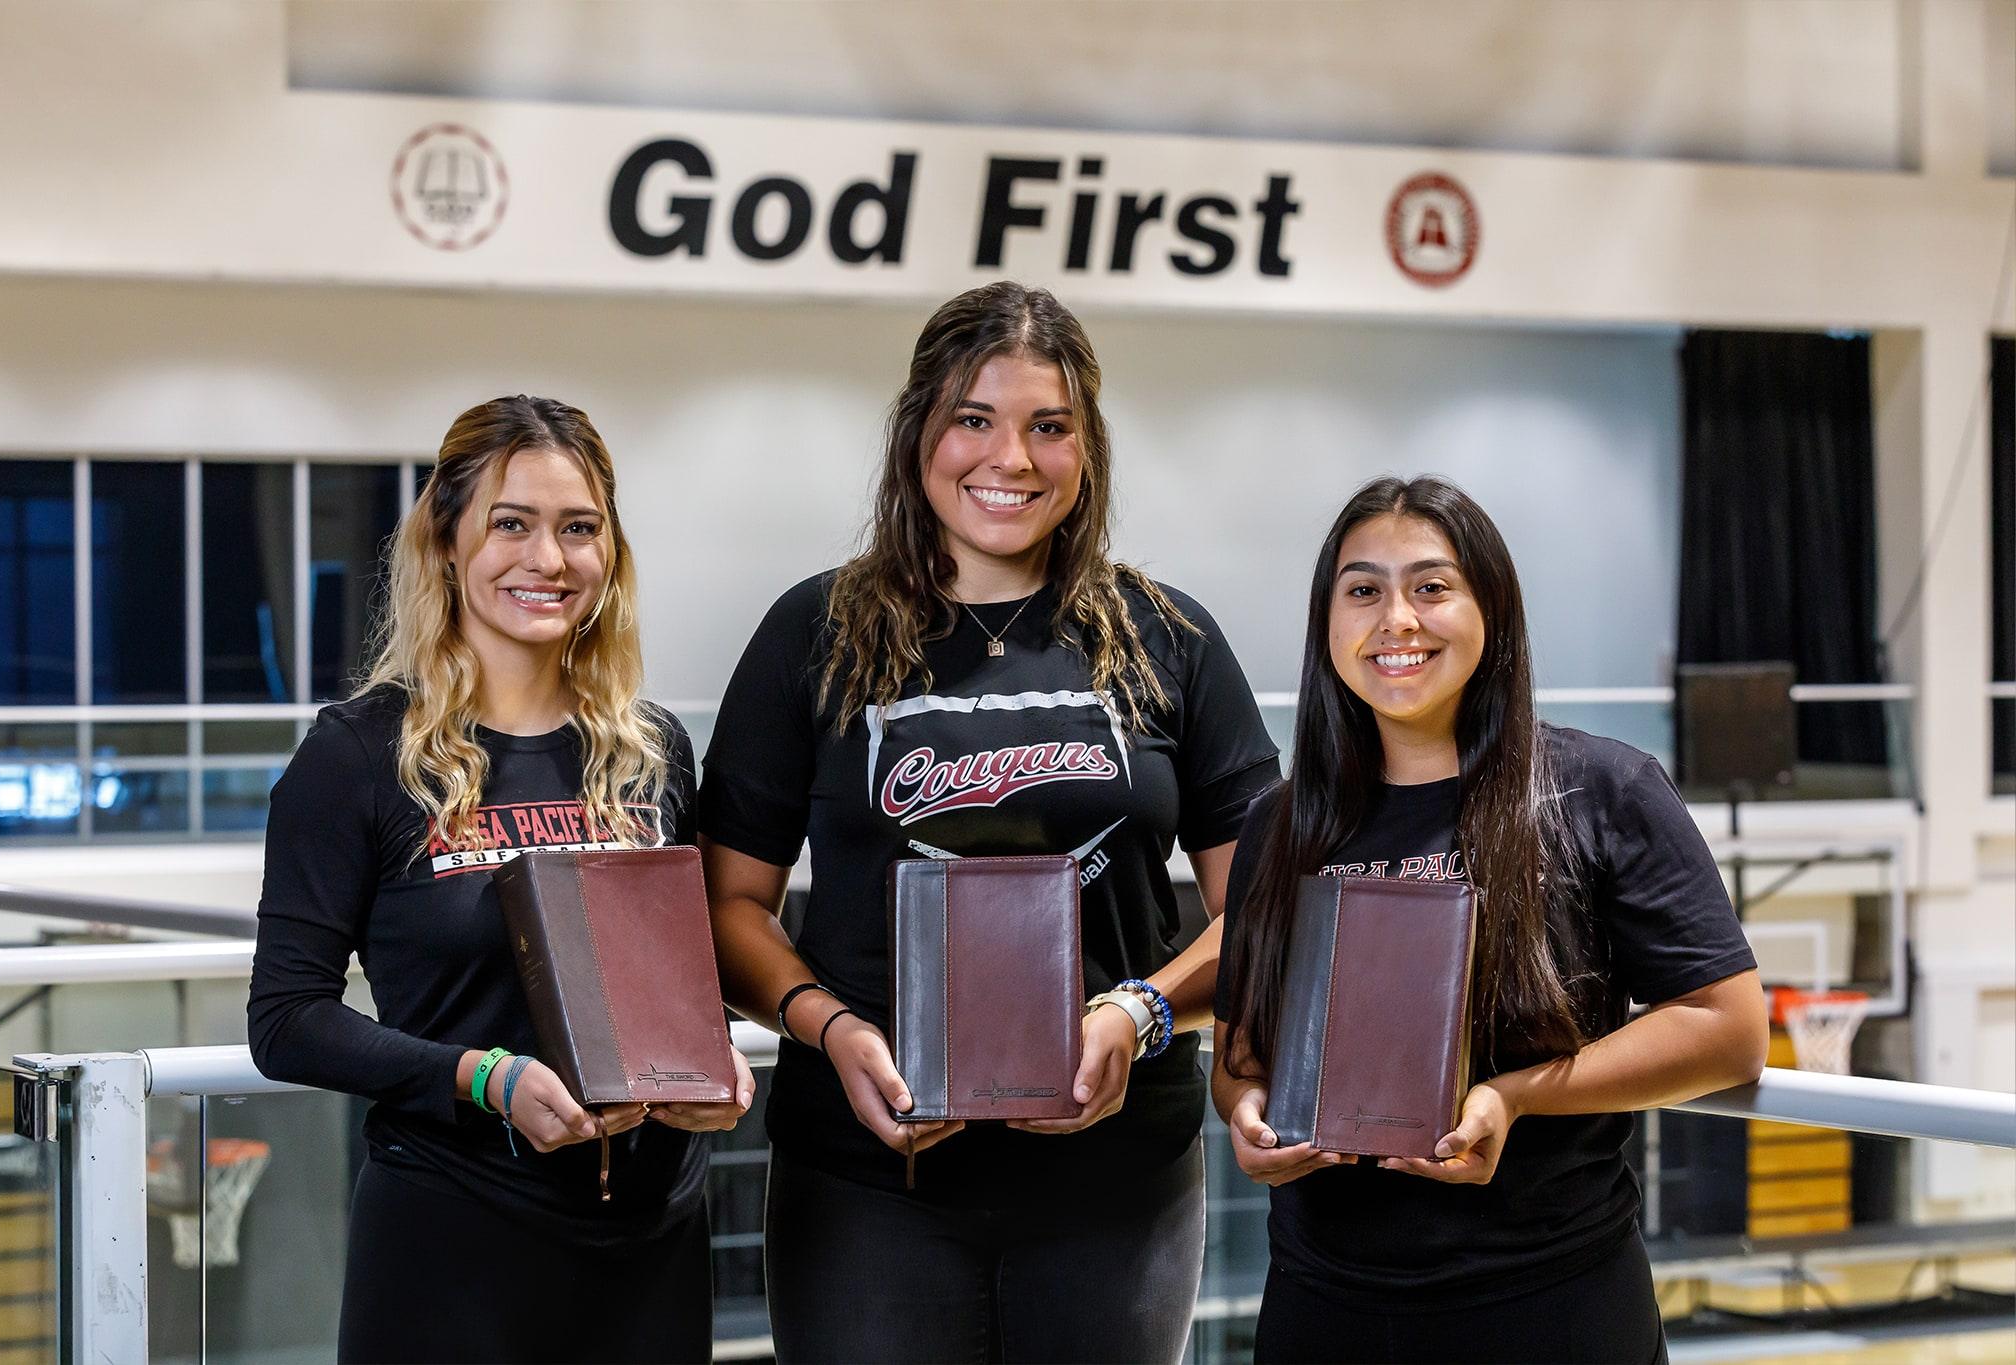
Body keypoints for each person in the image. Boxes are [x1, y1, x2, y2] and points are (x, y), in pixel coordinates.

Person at [700, 281, 1280, 1363]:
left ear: (1085, 447)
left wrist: (1138, 1016)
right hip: (868, 1179)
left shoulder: (1167, 639)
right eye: (973, 419)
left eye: (1046, 426)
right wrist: (833, 1030)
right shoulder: (811, 634)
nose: (1008, 459)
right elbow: (728, 907)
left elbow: (1264, 905)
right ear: (919, 431)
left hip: (1119, 1186)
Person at [1213, 474, 1768, 1364]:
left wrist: (1512, 1096)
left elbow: (1729, 1028)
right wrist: (1245, 1113)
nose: (1396, 618)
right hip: (1322, 1306)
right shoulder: (1281, 825)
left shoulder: (1603, 790)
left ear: (1491, 612)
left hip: (1550, 1302)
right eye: (1363, 590)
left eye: (1431, 586)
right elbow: (1243, 1050)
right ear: (1329, 626)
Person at [248, 395, 752, 1364]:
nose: (547, 560)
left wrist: (712, 1069)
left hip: (649, 1238)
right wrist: (483, 1078)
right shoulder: (358, 758)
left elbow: (669, 986)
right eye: (509, 525)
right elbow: (285, 1019)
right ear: (447, 543)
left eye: (578, 529)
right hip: (452, 1234)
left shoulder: (653, 754)